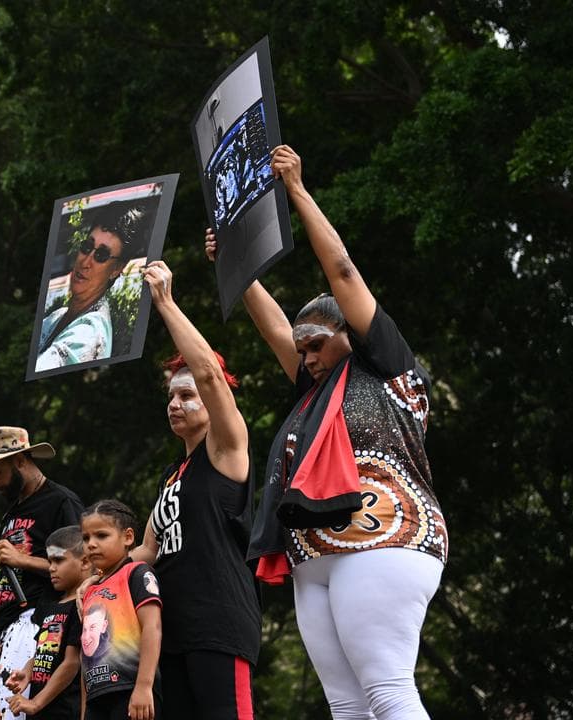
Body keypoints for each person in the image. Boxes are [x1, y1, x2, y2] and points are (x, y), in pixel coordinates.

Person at [215, 145, 447, 719]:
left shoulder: (383, 363)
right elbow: (275, 328)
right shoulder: (314, 388)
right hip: (313, 554)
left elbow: (342, 270)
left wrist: (296, 191)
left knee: (388, 689)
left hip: (382, 537)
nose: (308, 357)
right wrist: (237, 272)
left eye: (318, 344)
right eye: (303, 350)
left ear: (352, 331)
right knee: (346, 707)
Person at [129, 261, 260, 718]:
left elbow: (207, 371)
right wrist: (74, 577)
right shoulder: (173, 474)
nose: (175, 404)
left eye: (186, 396)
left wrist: (164, 302)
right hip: (173, 634)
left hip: (219, 626)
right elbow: (146, 550)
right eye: (170, 397)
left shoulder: (226, 449)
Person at [0, 426, 84, 720]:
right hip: (1, 630)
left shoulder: (61, 502)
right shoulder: (11, 512)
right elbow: (16, 585)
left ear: (21, 460)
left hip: (40, 629)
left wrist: (21, 560)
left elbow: (85, 566)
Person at [36, 202, 147, 371]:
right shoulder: (58, 316)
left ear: (117, 269)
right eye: (87, 246)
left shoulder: (89, 332)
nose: (86, 261)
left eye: (101, 255)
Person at [78, 500, 161, 720]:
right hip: (97, 696)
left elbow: (152, 627)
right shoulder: (90, 590)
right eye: (86, 538)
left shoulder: (137, 573)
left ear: (128, 537)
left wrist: (144, 686)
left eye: (101, 536)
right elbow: (85, 653)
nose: (91, 544)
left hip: (130, 690)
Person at [5, 525, 89, 720]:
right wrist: (27, 672)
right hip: (41, 711)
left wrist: (36, 702)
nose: (51, 568)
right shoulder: (53, 605)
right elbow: (44, 650)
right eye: (50, 561)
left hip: (65, 710)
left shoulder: (82, 606)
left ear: (84, 562)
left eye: (58, 560)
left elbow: (72, 662)